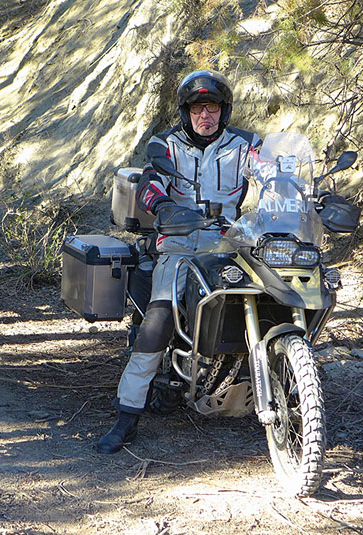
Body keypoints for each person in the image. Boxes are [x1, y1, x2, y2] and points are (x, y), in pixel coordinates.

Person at [96, 70, 262, 454]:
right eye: (198, 108)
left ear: (224, 111)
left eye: (213, 107)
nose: (206, 115)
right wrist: (165, 207)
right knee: (158, 320)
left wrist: (295, 191)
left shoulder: (246, 144)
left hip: (230, 242)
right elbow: (150, 184)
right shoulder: (166, 145)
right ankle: (127, 416)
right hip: (179, 243)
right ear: (186, 112)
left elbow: (273, 172)